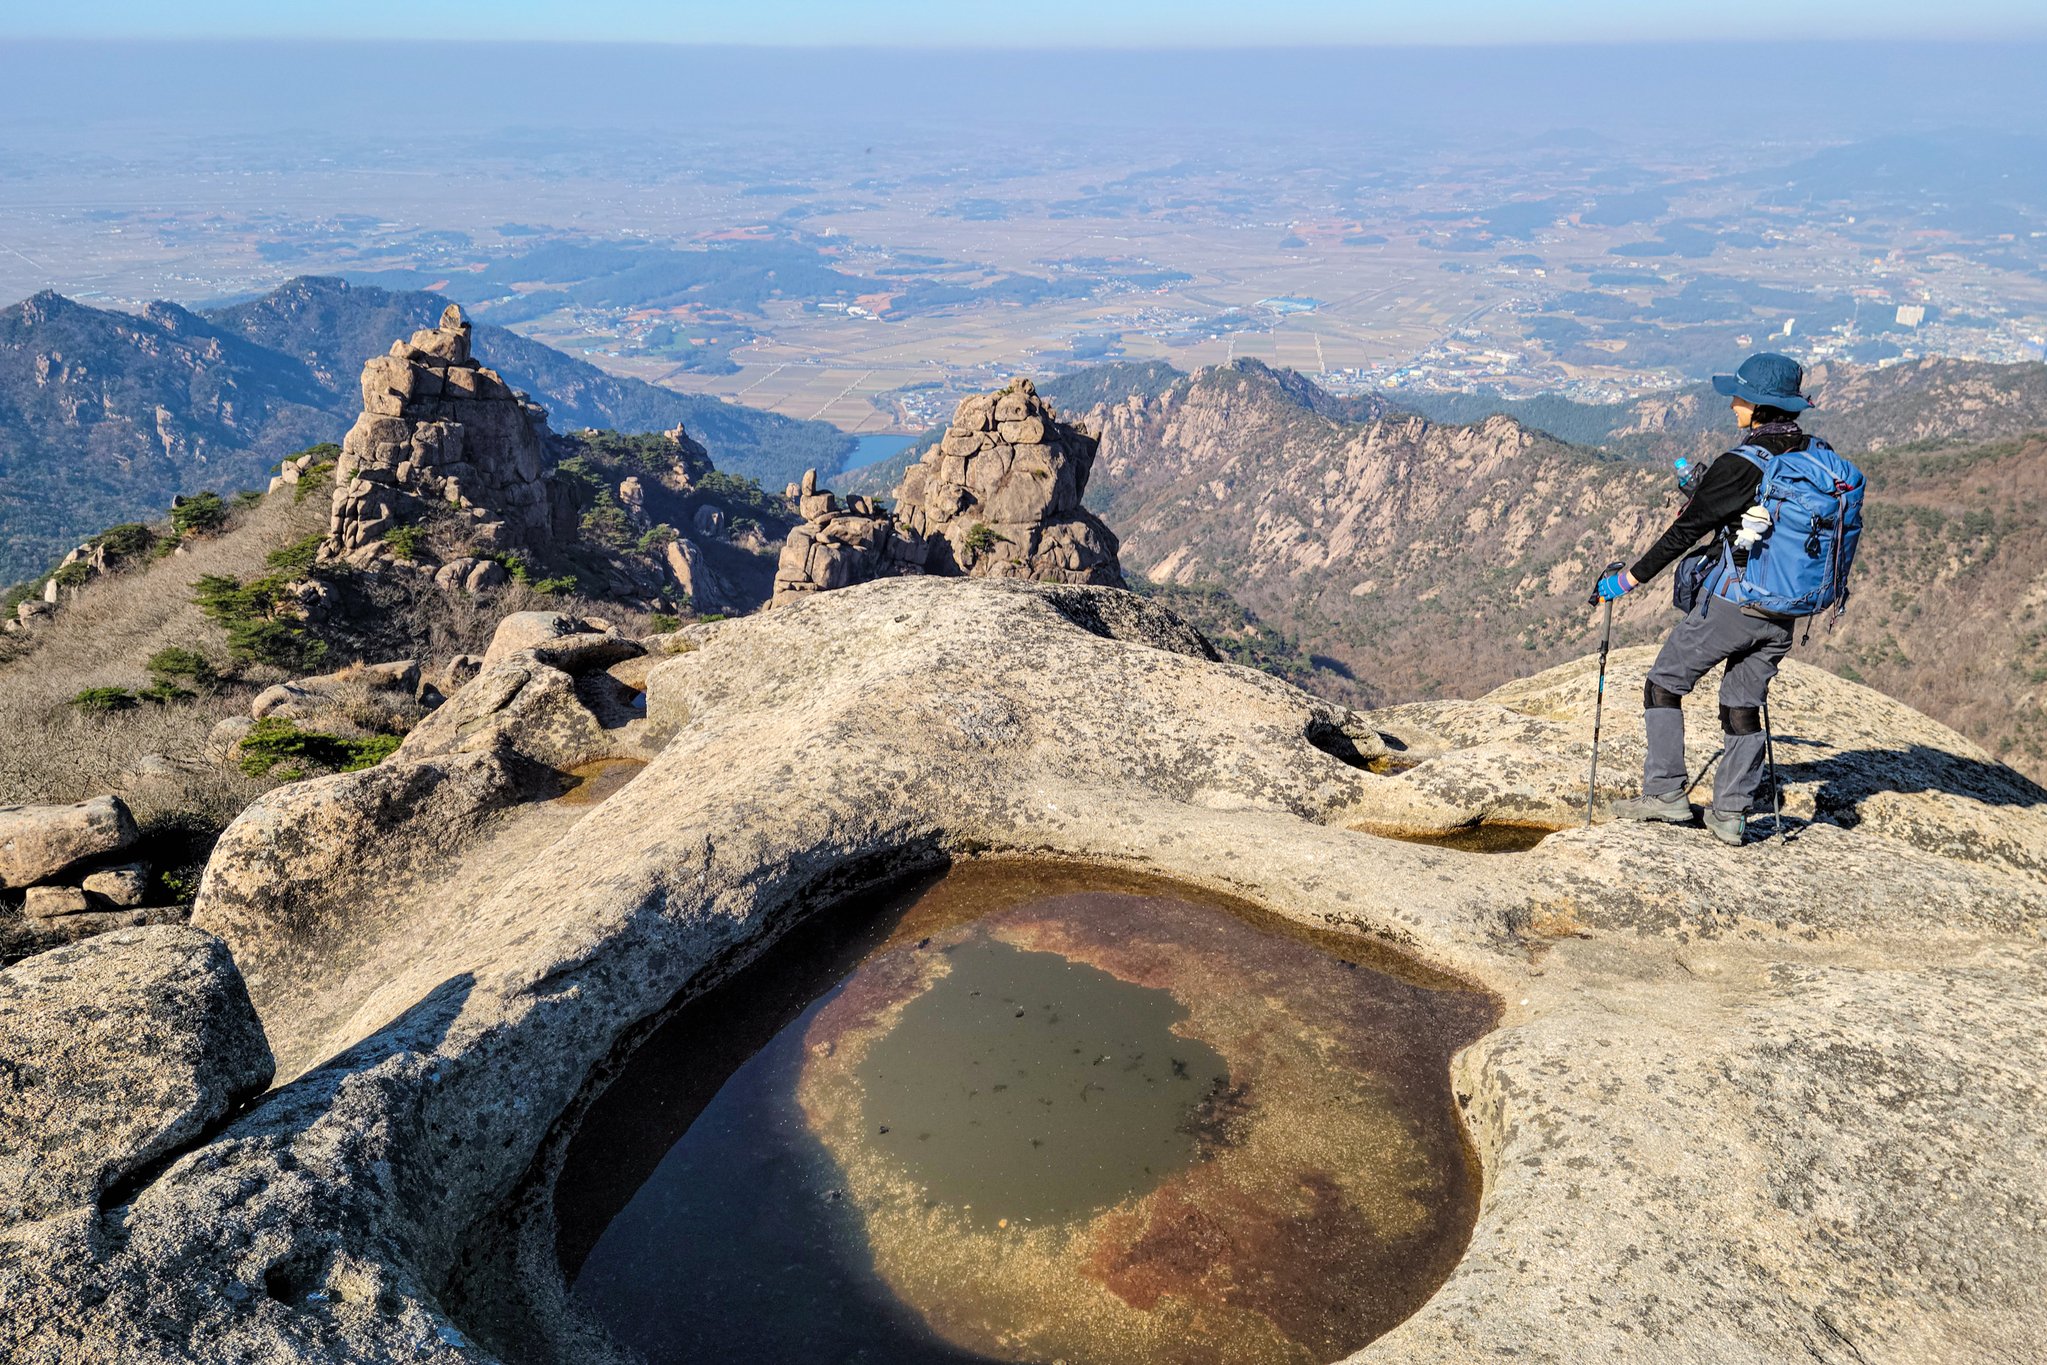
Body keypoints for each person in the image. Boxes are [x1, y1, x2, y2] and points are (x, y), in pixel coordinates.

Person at [1592, 352, 1818, 846]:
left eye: (1739, 397)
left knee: (1664, 683)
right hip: (1786, 611)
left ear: (1759, 406)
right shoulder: (1814, 458)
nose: (1733, 404)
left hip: (1735, 605)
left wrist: (1627, 581)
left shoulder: (1741, 463)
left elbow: (1685, 531)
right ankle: (1730, 816)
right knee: (1742, 702)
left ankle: (1666, 795)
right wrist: (1707, 492)